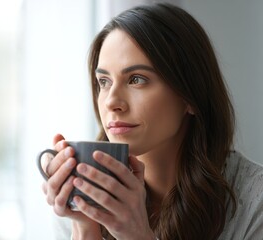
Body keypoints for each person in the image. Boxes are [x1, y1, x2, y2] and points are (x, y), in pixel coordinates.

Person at [41, 3, 263, 240]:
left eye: (137, 79)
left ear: (190, 96)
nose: (111, 102)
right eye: (104, 82)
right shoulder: (79, 196)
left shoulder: (255, 202)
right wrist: (85, 227)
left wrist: (136, 235)